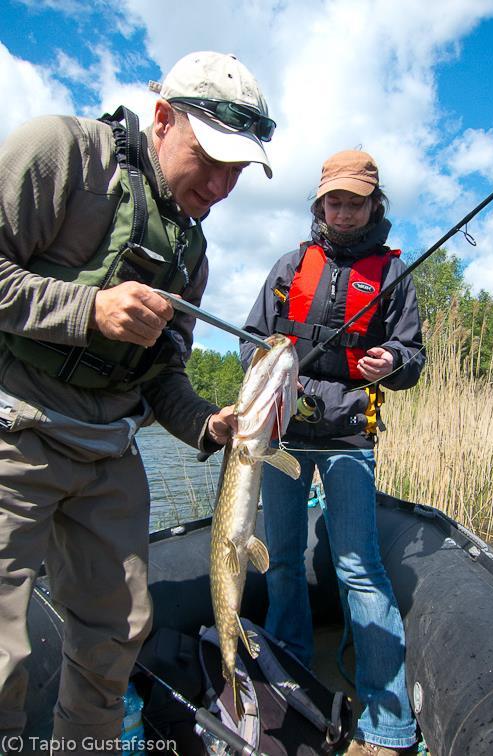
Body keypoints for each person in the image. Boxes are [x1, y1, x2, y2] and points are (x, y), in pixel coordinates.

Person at [0, 51, 275, 753]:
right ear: (161, 118)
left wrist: (209, 424)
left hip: (108, 454)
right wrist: (87, 308)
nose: (220, 184)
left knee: (114, 643)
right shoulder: (59, 153)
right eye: (209, 158)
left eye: (237, 171)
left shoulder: (195, 252)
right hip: (13, 431)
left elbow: (163, 378)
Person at [240, 150, 425, 755]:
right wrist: (268, 373)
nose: (343, 212)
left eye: (355, 201)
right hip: (283, 437)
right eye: (333, 201)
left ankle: (389, 723)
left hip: (350, 438)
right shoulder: (290, 265)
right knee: (284, 558)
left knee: (359, 566)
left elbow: (412, 359)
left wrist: (390, 363)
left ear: (375, 205)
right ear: (320, 204)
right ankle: (287, 681)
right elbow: (250, 342)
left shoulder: (394, 276)